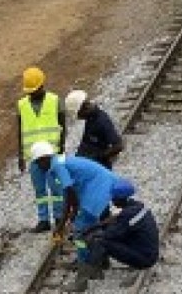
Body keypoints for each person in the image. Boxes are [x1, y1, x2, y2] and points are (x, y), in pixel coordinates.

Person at [28, 142, 123, 276]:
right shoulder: (59, 161)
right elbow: (70, 195)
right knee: (90, 227)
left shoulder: (57, 166)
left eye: (38, 162)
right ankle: (99, 260)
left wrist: (62, 224)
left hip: (97, 188)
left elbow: (70, 192)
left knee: (80, 230)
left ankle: (85, 265)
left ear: (44, 158)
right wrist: (72, 213)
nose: (38, 166)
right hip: (100, 184)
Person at [70, 179, 159, 292]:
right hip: (147, 251)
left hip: (145, 259)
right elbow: (114, 219)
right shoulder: (137, 207)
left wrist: (88, 235)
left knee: (100, 241)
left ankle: (81, 281)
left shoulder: (127, 215)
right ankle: (98, 267)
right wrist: (91, 228)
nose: (111, 200)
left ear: (120, 199)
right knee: (101, 235)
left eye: (113, 198)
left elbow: (109, 235)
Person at [17, 66, 65, 232]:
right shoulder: (22, 105)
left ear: (42, 86)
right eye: (28, 91)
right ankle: (43, 219)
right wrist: (21, 156)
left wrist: (61, 149)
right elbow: (20, 130)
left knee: (56, 187)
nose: (30, 94)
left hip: (52, 154)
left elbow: (62, 126)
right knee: (39, 190)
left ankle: (59, 217)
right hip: (33, 156)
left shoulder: (54, 100)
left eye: (33, 90)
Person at [64, 89, 123, 169]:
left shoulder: (102, 121)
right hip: (87, 164)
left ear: (83, 109)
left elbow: (118, 146)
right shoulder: (90, 118)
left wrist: (99, 157)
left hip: (98, 169)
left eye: (78, 115)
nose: (79, 118)